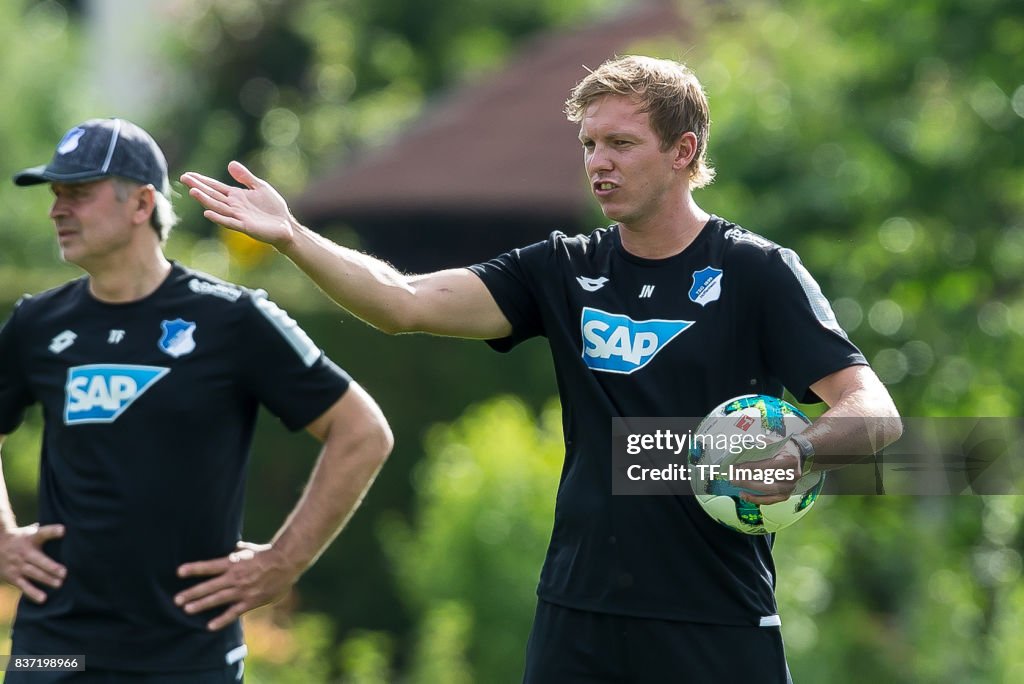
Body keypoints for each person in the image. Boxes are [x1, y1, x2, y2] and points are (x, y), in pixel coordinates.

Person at [182, 56, 902, 682]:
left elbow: (873, 416)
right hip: (577, 617)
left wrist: (792, 451)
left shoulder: (757, 273)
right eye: (590, 144)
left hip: (714, 616)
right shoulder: (563, 269)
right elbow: (402, 302)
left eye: (621, 143)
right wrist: (294, 237)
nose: (599, 163)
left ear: (683, 151)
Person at [0, 118, 393, 682]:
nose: (56, 210)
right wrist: (2, 539)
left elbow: (363, 432)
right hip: (53, 649)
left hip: (186, 656)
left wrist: (283, 562)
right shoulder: (37, 322)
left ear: (140, 205)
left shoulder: (232, 319)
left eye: (78, 194)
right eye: (55, 194)